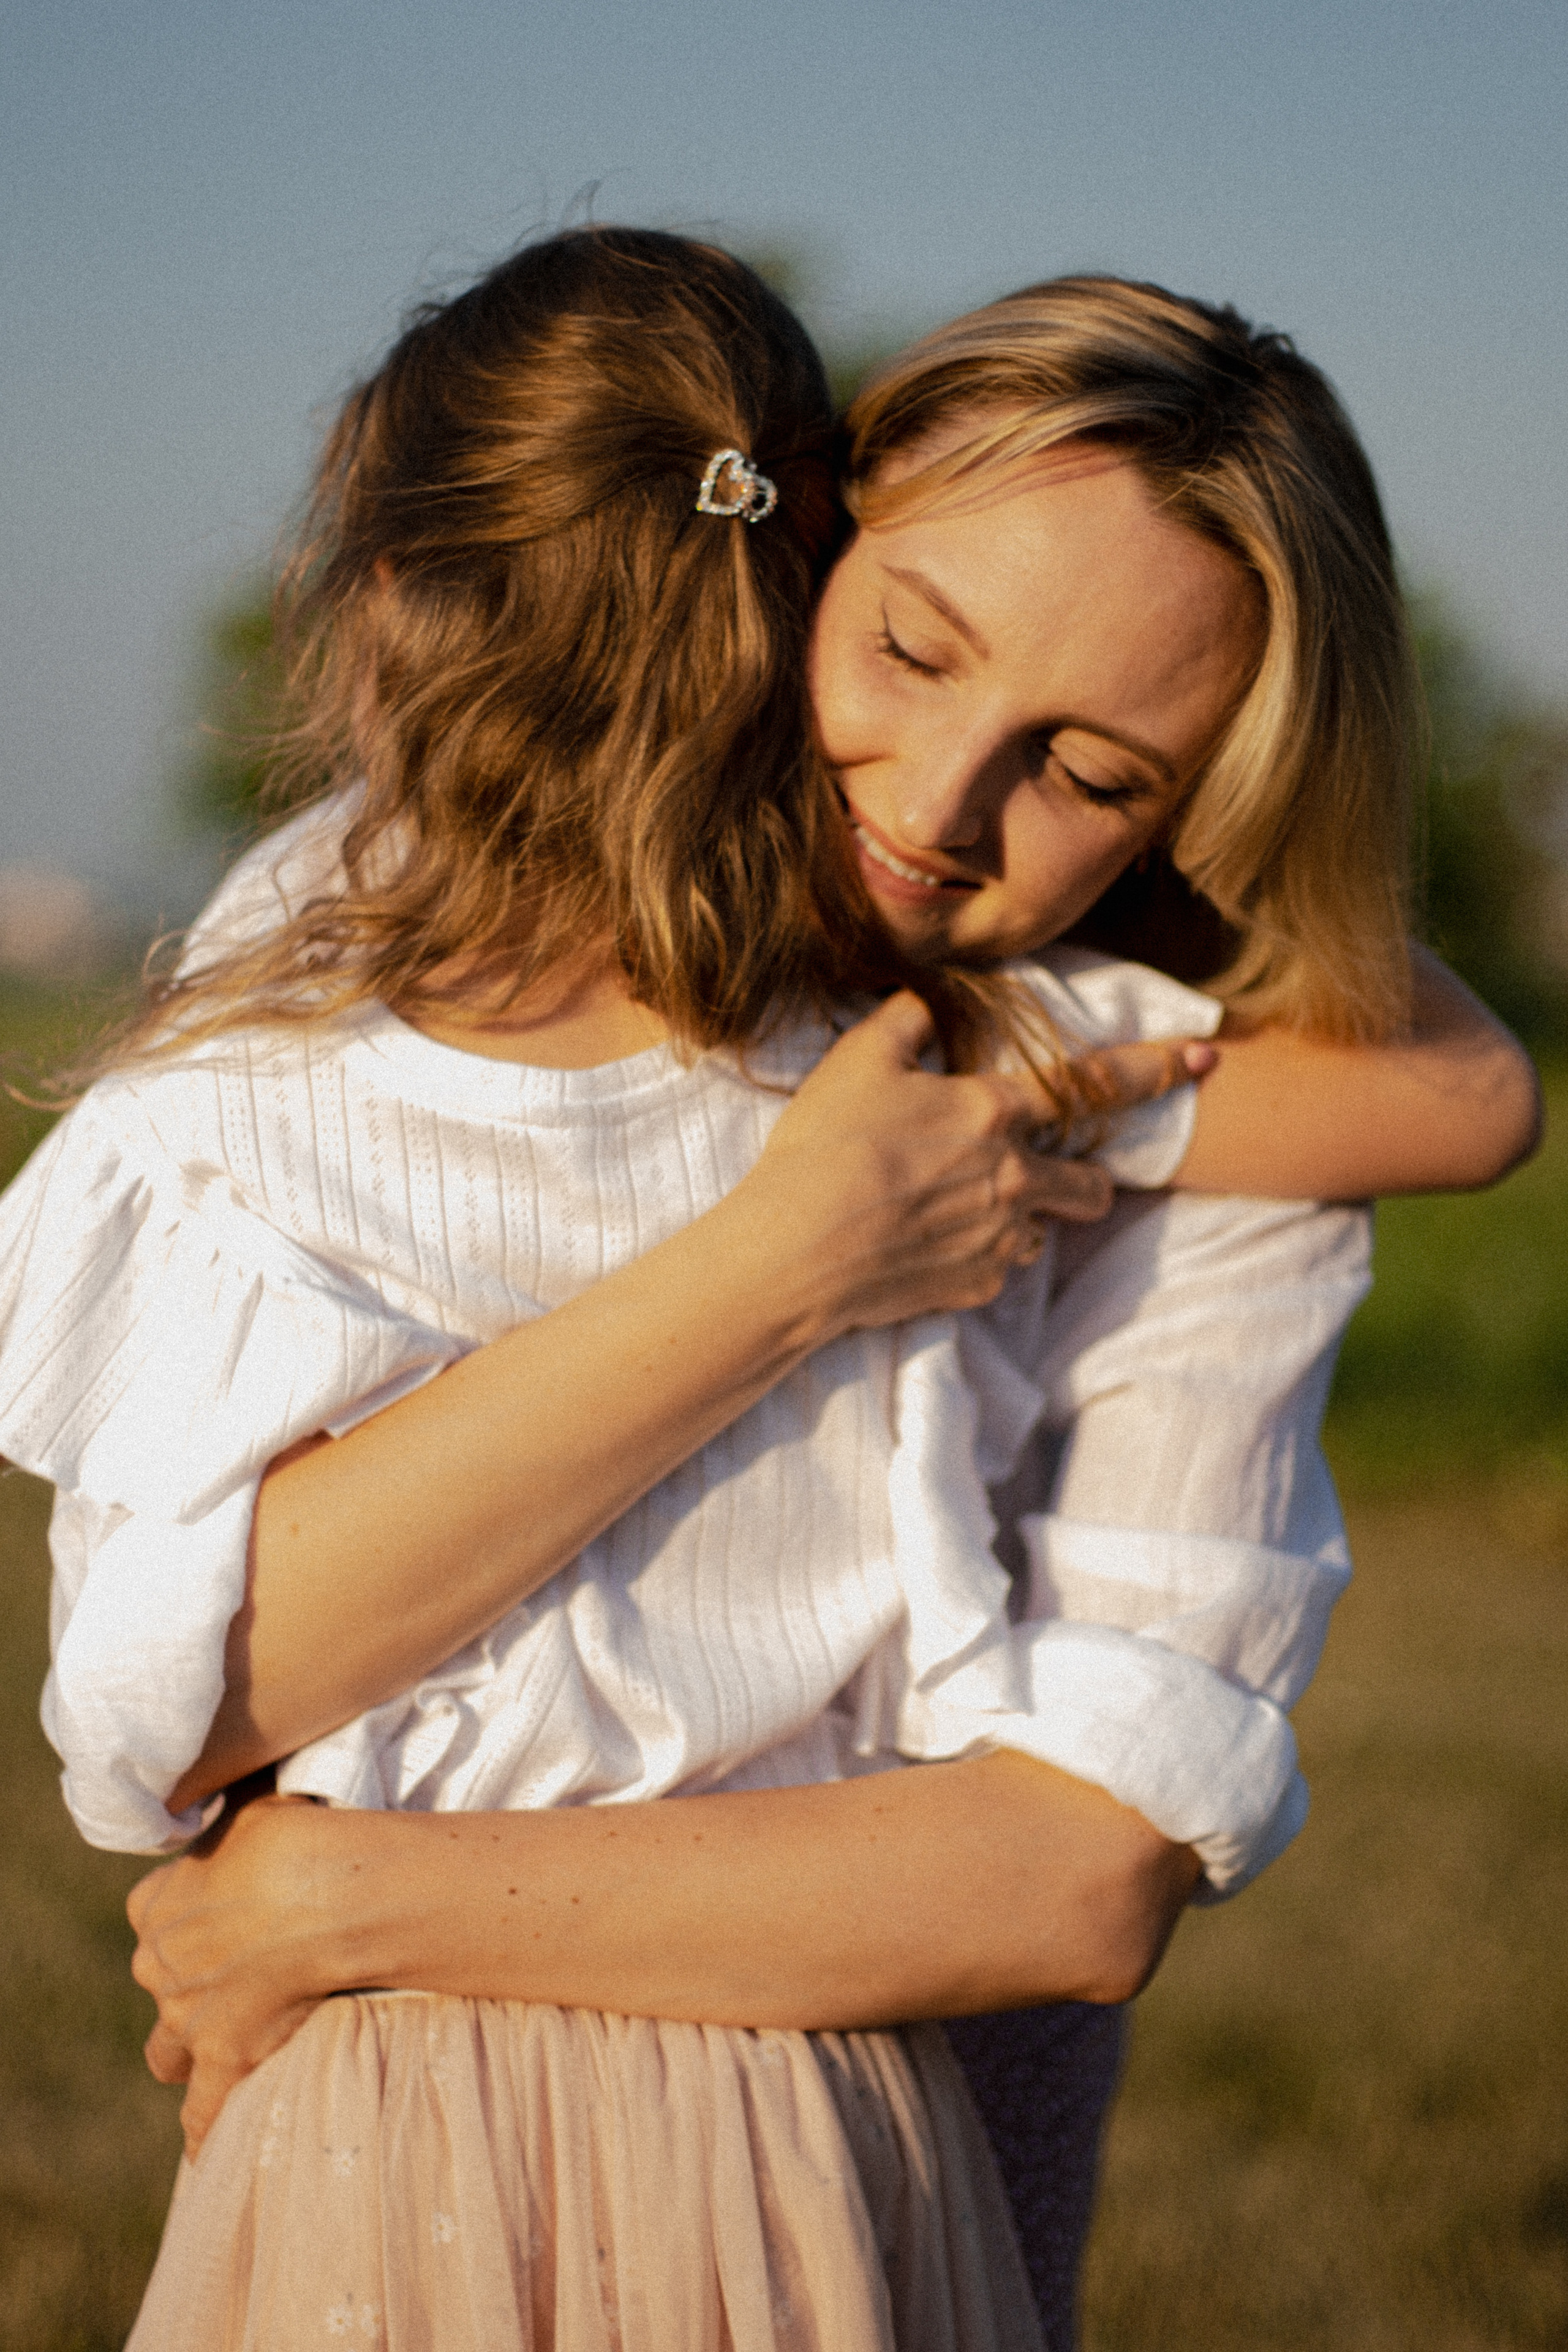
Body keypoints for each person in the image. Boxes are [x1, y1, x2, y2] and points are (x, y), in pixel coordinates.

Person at [0, 233, 1537, 2351]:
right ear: (788, 539)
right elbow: (188, 1681)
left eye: (1099, 775)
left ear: (1199, 824)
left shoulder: (1048, 1064)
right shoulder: (395, 946)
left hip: (881, 2184)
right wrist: (798, 1251)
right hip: (384, 2163)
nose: (941, 807)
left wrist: (349, 1895)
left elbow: (1083, 1876)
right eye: (909, 643)